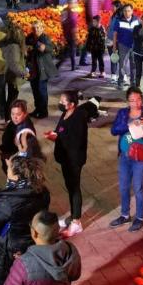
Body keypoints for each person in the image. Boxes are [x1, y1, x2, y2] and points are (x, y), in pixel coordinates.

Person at [0, 210, 82, 285]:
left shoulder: (23, 264)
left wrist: (19, 265)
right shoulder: (70, 251)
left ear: (35, 233)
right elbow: (75, 275)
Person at [0, 156, 52, 285]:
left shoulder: (8, 199)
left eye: (9, 169)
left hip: (11, 246)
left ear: (16, 176)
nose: (7, 172)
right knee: (28, 276)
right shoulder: (42, 191)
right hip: (33, 241)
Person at [110, 87, 143, 232]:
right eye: (132, 100)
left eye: (138, 99)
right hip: (125, 156)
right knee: (123, 187)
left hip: (141, 158)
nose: (135, 103)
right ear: (128, 101)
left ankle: (139, 218)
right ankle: (125, 215)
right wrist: (128, 125)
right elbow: (114, 130)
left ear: (142, 100)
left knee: (138, 187)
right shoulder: (123, 113)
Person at [48, 90, 88, 236]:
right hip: (65, 158)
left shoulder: (78, 118)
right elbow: (60, 130)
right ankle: (73, 216)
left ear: (71, 105)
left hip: (74, 160)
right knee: (70, 188)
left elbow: (75, 141)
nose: (60, 103)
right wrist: (54, 134)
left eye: (63, 102)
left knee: (74, 189)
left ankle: (76, 222)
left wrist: (58, 138)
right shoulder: (65, 114)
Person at [26, 21, 58, 118]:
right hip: (33, 70)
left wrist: (39, 45)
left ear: (42, 28)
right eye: (34, 28)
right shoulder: (29, 37)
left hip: (42, 70)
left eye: (38, 27)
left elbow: (49, 49)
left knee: (42, 91)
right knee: (35, 91)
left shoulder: (44, 38)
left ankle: (44, 112)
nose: (36, 30)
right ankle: (37, 109)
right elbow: (24, 47)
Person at [0, 100, 36, 172]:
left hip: (17, 169)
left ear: (25, 114)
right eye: (12, 114)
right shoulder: (17, 122)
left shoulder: (25, 133)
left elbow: (26, 156)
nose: (15, 117)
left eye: (18, 114)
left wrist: (11, 163)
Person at [110, 4, 140, 89]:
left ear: (132, 11)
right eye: (125, 11)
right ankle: (121, 82)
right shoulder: (119, 20)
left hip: (134, 46)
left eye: (129, 11)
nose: (127, 13)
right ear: (123, 12)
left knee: (134, 65)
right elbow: (115, 34)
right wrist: (114, 47)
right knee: (122, 65)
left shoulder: (136, 20)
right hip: (123, 46)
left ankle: (133, 83)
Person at [0, 23, 27, 102]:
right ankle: (9, 113)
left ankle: (7, 112)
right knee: (12, 98)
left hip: (8, 75)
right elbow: (14, 64)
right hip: (13, 77)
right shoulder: (15, 47)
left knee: (10, 96)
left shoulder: (7, 43)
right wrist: (24, 73)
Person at [79, 0, 104, 67]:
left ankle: (83, 58)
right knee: (91, 41)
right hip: (93, 22)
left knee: (90, 40)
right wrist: (96, 23)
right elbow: (92, 11)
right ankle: (86, 59)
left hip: (91, 21)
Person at [57, 1, 79, 71]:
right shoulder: (72, 14)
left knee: (68, 51)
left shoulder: (64, 12)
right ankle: (72, 66)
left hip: (66, 34)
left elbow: (62, 22)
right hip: (70, 35)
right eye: (74, 3)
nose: (76, 4)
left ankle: (59, 65)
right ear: (70, 4)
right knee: (71, 51)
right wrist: (75, 36)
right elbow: (73, 27)